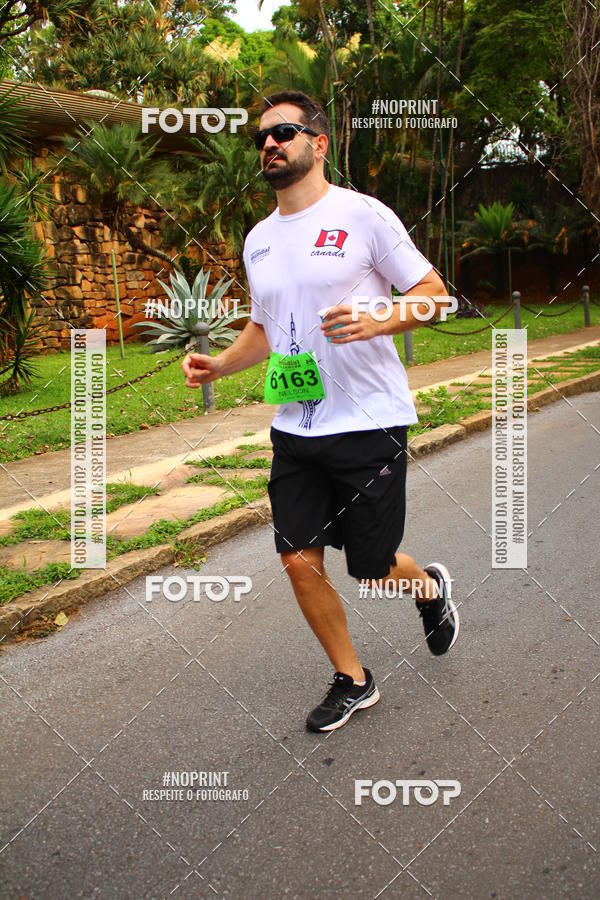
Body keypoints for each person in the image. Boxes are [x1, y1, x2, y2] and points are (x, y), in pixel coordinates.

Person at [182, 90, 459, 733]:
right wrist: (220, 364)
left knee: (372, 568)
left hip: (368, 422)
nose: (270, 144)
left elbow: (435, 295)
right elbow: (265, 327)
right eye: (262, 138)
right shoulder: (259, 240)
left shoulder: (364, 216)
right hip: (296, 425)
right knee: (296, 556)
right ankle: (353, 678)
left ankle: (429, 589)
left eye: (284, 132)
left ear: (319, 142)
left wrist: (377, 317)